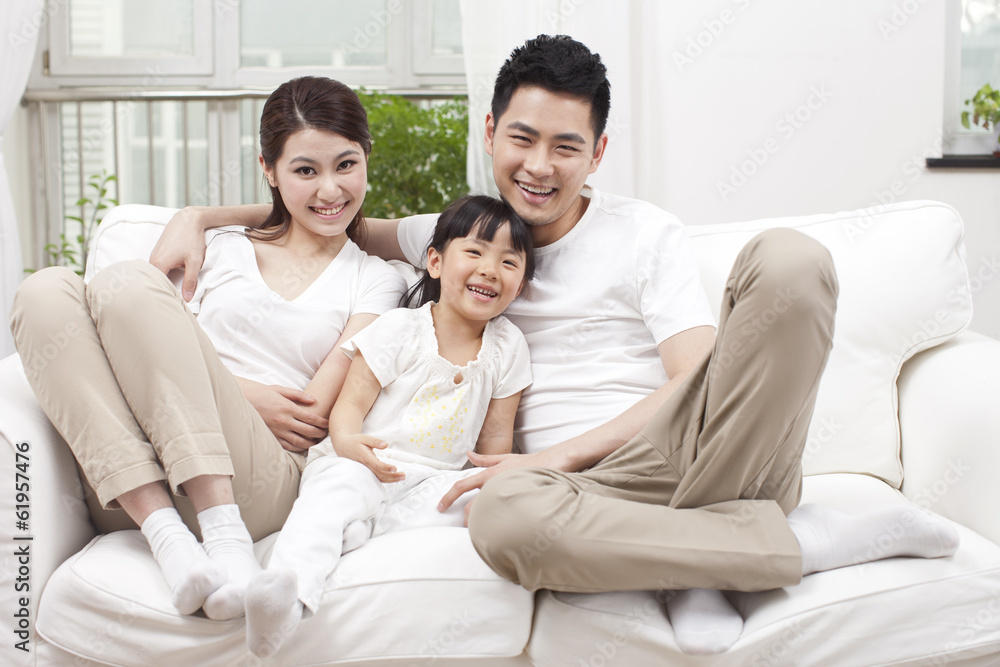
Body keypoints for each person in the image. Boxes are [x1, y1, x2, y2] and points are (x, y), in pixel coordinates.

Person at [150, 35, 959, 656]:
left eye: (566, 147)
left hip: (680, 449)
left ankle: (710, 539)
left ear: (598, 153)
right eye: (523, 138)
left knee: (792, 260)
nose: (538, 167)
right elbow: (326, 212)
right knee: (496, 516)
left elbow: (696, 381)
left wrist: (557, 457)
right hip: (564, 500)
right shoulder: (455, 235)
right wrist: (198, 219)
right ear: (491, 128)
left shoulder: (645, 233)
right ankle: (771, 545)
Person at [9, 76, 406, 622]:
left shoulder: (377, 280)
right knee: (44, 291)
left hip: (258, 485)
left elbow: (309, 415)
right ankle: (168, 540)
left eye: (346, 165)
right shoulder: (220, 249)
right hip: (136, 485)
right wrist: (248, 394)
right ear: (268, 170)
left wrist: (231, 397)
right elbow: (135, 335)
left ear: (366, 160)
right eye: (305, 170)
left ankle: (224, 537)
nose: (330, 190)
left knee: (129, 283)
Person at [242, 194, 534, 657]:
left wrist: (491, 487)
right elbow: (349, 405)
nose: (489, 270)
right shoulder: (401, 327)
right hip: (367, 459)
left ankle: (362, 529)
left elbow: (495, 441)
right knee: (335, 493)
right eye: (475, 253)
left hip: (435, 478)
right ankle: (285, 591)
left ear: (520, 283)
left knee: (483, 501)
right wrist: (348, 444)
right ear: (436, 262)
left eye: (509, 262)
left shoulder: (508, 346)